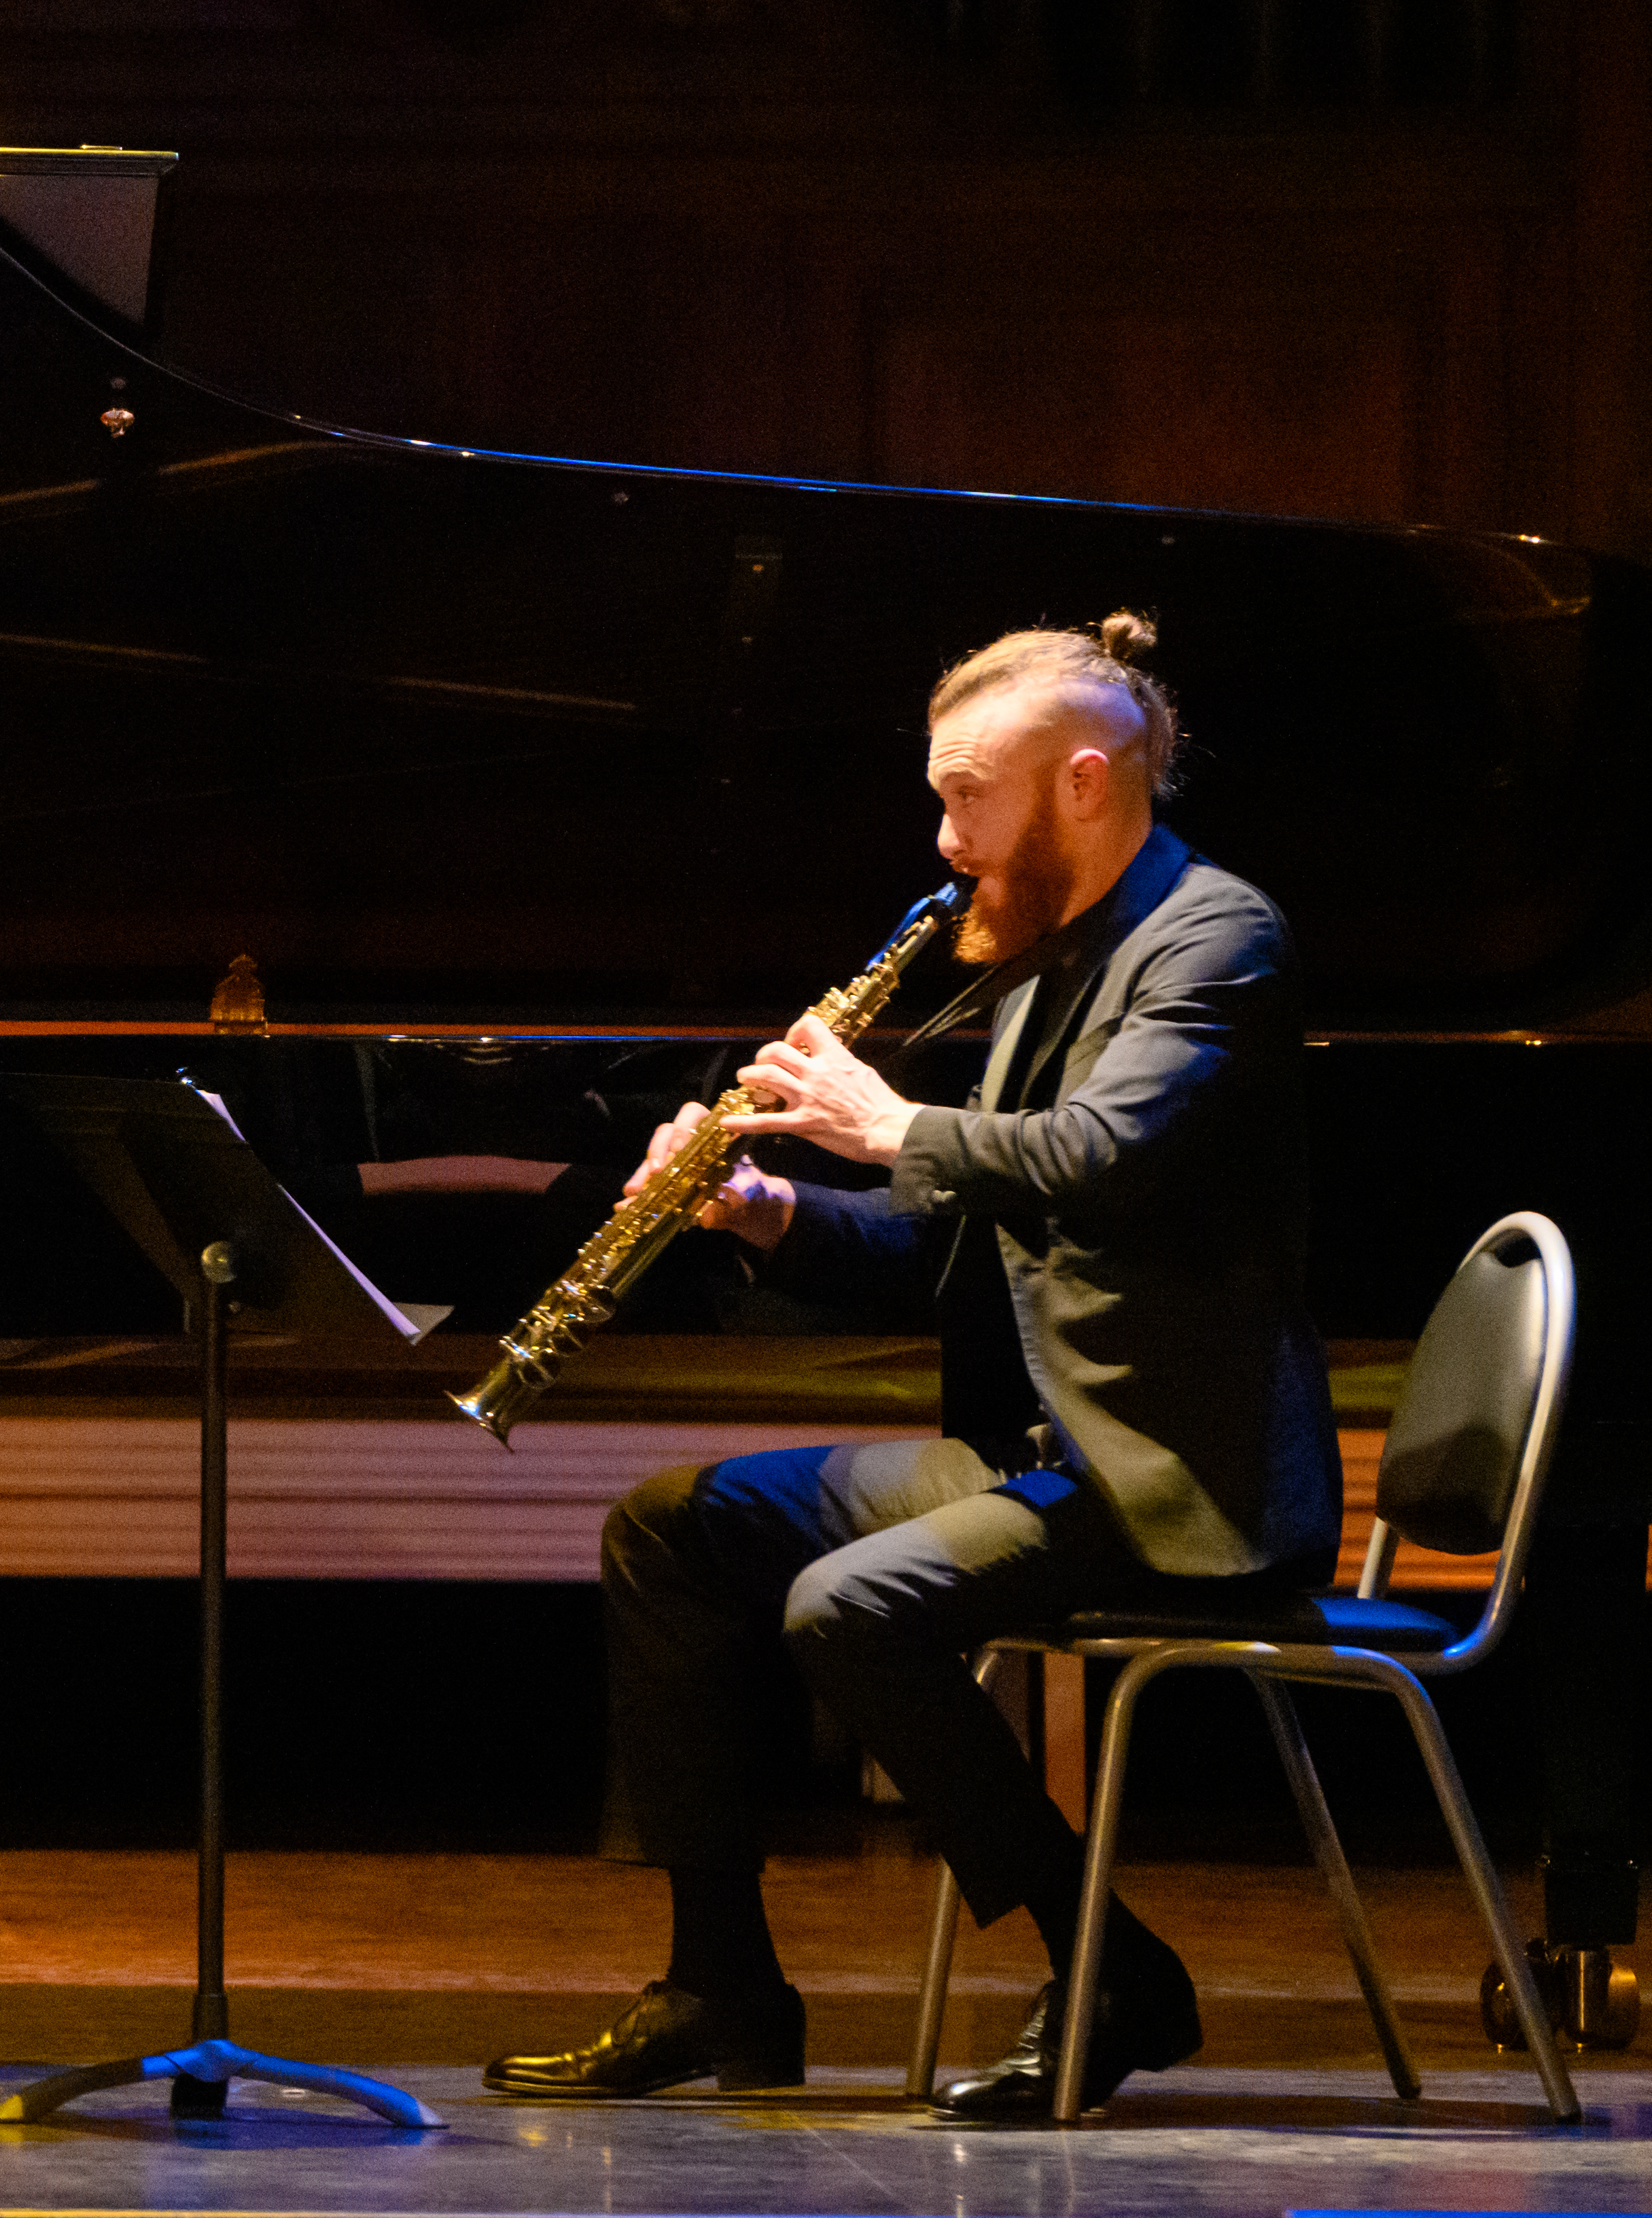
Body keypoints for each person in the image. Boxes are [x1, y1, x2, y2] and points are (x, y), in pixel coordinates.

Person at [480, 613, 1339, 2123]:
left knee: (847, 1604)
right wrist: (760, 1208)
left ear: (1084, 783)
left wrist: (882, 1120)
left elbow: (1100, 1162)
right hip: (1033, 1448)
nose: (943, 840)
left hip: (1164, 1469)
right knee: (671, 1527)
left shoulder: (1216, 937)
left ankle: (1111, 1967)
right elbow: (941, 1240)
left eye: (967, 798)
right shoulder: (1056, 947)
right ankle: (721, 1983)